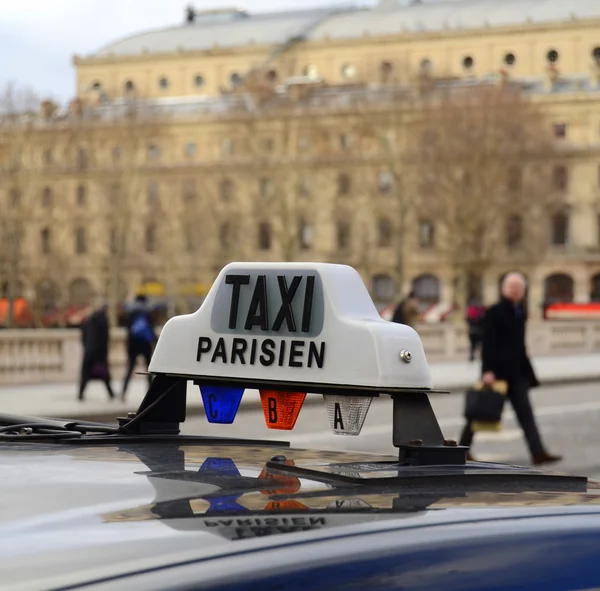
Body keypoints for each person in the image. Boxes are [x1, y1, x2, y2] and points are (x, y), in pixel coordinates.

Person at [459, 272, 562, 465]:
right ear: (504, 289)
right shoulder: (495, 311)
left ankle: (538, 452)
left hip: (516, 373)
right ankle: (462, 450)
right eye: (512, 287)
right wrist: (487, 371)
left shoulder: (519, 310)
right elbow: (488, 343)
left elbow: (519, 344)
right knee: (481, 411)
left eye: (519, 288)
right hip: (497, 372)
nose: (515, 291)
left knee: (526, 414)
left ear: (523, 291)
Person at [121, 294, 157, 401]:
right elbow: (151, 328)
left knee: (130, 368)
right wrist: (154, 341)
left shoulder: (131, 311)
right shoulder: (147, 311)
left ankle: (123, 392)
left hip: (133, 345)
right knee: (149, 370)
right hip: (145, 344)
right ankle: (151, 394)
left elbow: (127, 328)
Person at [78, 300, 115, 401]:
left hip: (89, 350)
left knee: (85, 373)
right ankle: (111, 393)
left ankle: (80, 393)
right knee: (104, 373)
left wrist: (87, 346)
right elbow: (105, 338)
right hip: (100, 352)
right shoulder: (103, 320)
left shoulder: (89, 319)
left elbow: (83, 336)